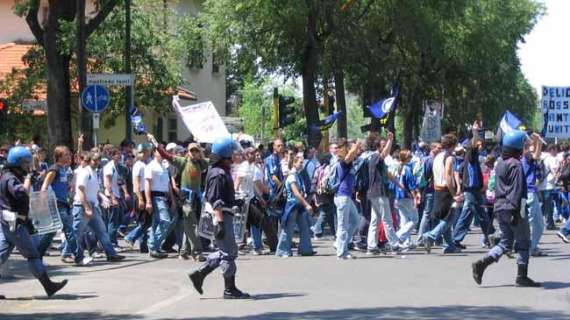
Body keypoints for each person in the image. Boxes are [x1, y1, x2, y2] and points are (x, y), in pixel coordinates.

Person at [471, 130, 541, 287]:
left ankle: (483, 263)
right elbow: (517, 189)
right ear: (517, 147)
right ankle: (521, 276)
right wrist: (517, 211)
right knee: (523, 242)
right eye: (522, 145)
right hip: (513, 207)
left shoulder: (501, 162)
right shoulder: (516, 164)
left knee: (505, 242)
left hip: (500, 206)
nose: (524, 148)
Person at [0, 146, 68, 299]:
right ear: (18, 164)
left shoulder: (7, 175)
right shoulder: (10, 178)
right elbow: (21, 193)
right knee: (33, 255)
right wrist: (28, 179)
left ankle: (49, 285)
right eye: (25, 164)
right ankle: (48, 286)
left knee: (1, 255)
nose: (27, 167)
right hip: (15, 224)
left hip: (9, 222)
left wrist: (33, 177)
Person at [188, 137, 251, 299]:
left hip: (223, 215)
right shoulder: (218, 174)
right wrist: (220, 222)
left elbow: (222, 197)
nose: (235, 157)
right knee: (229, 253)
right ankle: (229, 289)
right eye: (232, 154)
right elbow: (215, 200)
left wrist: (234, 200)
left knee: (227, 251)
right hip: (220, 217)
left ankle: (200, 274)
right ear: (225, 155)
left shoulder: (221, 171)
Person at [156, 140, 207, 261]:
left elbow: (215, 160)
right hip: (186, 198)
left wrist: (202, 153)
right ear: (188, 152)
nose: (194, 153)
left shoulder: (201, 163)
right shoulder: (182, 161)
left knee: (189, 225)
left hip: (196, 198)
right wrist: (155, 143)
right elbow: (166, 155)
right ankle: (197, 252)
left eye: (196, 151)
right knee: (192, 224)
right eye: (192, 151)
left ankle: (183, 251)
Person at [72, 152, 125, 265]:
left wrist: (102, 198)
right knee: (76, 232)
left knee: (102, 231)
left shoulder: (94, 172)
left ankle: (111, 254)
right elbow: (80, 190)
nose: (97, 162)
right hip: (82, 206)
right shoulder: (85, 172)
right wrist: (86, 207)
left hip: (93, 206)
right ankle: (68, 253)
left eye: (98, 159)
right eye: (94, 160)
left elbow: (95, 190)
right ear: (89, 160)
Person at [421, 134, 463, 254]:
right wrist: (454, 193)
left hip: (438, 189)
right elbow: (448, 177)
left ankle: (449, 245)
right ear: (453, 145)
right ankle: (431, 235)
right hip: (446, 190)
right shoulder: (449, 158)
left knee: (445, 218)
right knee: (450, 218)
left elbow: (434, 175)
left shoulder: (437, 156)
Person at [37, 146, 76, 262]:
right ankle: (79, 256)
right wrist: (43, 203)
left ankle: (36, 256)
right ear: (59, 156)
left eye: (69, 154)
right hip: (56, 204)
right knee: (69, 229)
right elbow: (44, 186)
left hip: (64, 203)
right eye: (66, 155)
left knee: (50, 233)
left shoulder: (63, 169)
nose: (69, 157)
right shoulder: (54, 169)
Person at [275, 154, 315, 257]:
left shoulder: (297, 174)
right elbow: (296, 193)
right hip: (292, 205)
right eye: (300, 162)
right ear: (294, 163)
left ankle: (306, 249)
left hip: (299, 205)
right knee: (288, 228)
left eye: (302, 162)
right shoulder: (292, 176)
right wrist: (307, 205)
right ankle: (282, 250)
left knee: (304, 227)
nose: (302, 164)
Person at [143, 145, 176, 259]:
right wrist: (148, 201)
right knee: (166, 221)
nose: (162, 153)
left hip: (164, 197)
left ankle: (155, 247)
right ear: (154, 153)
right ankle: (153, 245)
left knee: (157, 223)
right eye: (159, 151)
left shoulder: (164, 166)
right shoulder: (150, 166)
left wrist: (172, 199)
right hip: (156, 196)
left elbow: (168, 185)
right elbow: (147, 184)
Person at [334, 139, 362, 260]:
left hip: (347, 197)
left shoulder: (348, 161)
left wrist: (355, 148)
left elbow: (353, 154)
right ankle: (341, 252)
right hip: (342, 196)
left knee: (356, 220)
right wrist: (356, 146)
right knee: (343, 225)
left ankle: (340, 243)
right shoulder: (344, 162)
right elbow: (351, 155)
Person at [124, 143, 153, 253]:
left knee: (144, 221)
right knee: (145, 221)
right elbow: (136, 183)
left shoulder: (145, 164)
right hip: (140, 194)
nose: (145, 154)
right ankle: (131, 236)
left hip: (144, 194)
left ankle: (143, 246)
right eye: (142, 152)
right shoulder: (138, 165)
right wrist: (140, 198)